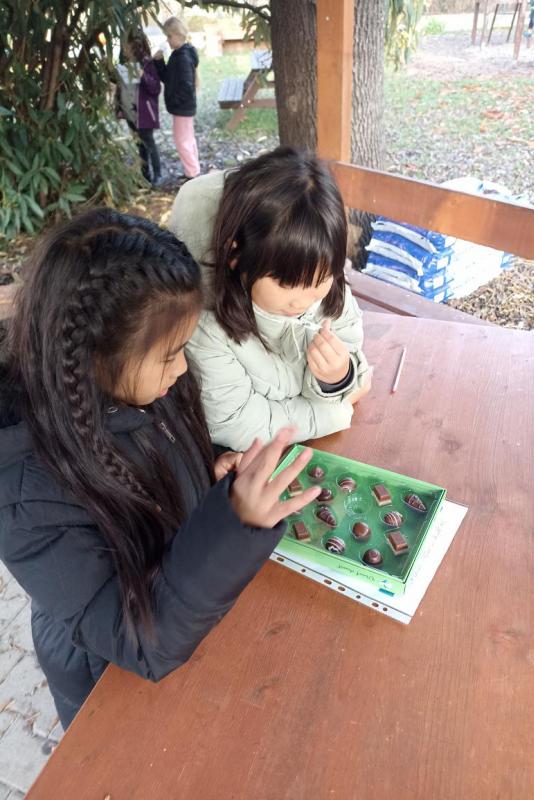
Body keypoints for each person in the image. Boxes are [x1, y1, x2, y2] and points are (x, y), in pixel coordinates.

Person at [0, 208, 320, 729]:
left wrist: (212, 467)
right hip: (109, 681)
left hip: (188, 611)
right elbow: (137, 641)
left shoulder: (139, 380)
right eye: (171, 355)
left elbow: (158, 450)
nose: (183, 367)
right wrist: (234, 525)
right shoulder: (24, 494)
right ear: (94, 359)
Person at [169, 147, 371, 453]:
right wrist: (336, 410)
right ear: (237, 255)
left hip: (319, 447)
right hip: (250, 465)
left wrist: (338, 378)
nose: (302, 301)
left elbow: (356, 363)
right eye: (285, 283)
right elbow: (236, 423)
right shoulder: (209, 329)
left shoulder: (332, 295)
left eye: (320, 280)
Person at [153, 17, 200, 179]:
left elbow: (187, 86)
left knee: (182, 141)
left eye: (169, 36)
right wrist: (159, 63)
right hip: (183, 107)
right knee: (188, 139)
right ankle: (193, 170)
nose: (167, 40)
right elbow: (168, 78)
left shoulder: (183, 58)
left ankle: (193, 174)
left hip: (182, 107)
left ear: (179, 35)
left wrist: (175, 100)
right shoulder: (177, 55)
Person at [115, 30, 163, 186]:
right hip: (129, 112)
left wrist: (143, 75)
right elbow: (120, 84)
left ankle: (158, 174)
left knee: (149, 144)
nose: (125, 50)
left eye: (127, 47)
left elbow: (155, 88)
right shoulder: (124, 64)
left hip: (144, 113)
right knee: (139, 145)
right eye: (124, 47)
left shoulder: (147, 63)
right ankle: (145, 175)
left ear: (136, 46)